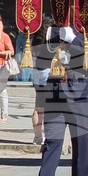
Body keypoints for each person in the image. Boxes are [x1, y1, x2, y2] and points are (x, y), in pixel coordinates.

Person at [24, 20, 88, 176]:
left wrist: (74, 39)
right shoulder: (55, 26)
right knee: (52, 141)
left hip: (79, 93)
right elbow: (41, 52)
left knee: (80, 143)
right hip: (54, 91)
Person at [29, 15, 58, 145]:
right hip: (48, 71)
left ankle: (37, 137)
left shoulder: (36, 38)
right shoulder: (52, 39)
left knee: (38, 107)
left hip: (36, 71)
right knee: (51, 108)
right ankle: (49, 136)